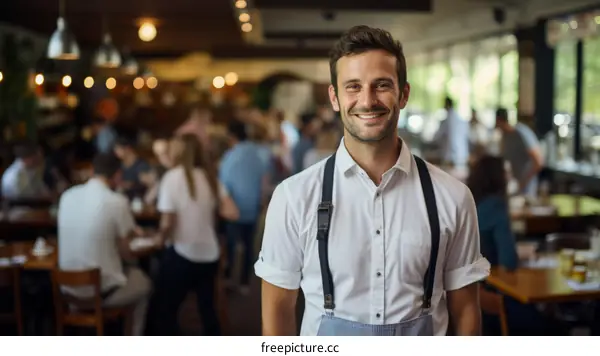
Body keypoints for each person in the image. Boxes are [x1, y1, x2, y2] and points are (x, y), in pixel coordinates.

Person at [255, 25, 490, 336]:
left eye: (382, 85)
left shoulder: (453, 196)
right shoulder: (294, 196)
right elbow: (277, 309)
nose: (367, 100)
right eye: (353, 86)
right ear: (335, 97)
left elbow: (466, 310)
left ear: (403, 94)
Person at [150, 134, 239, 335]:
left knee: (163, 311)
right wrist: (210, 208)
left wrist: (158, 239)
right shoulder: (210, 178)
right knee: (207, 310)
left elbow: (167, 222)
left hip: (182, 255)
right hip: (210, 256)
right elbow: (233, 212)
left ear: (177, 153)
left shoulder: (171, 178)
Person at [57, 153, 152, 336]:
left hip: (66, 289)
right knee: (145, 284)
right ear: (118, 175)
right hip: (100, 292)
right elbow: (126, 253)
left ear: (91, 171)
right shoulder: (117, 202)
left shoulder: (67, 196)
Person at [219, 122, 269, 294]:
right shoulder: (259, 153)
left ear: (231, 137)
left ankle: (228, 280)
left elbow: (223, 186)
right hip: (253, 208)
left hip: (234, 208)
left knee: (231, 246)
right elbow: (265, 180)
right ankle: (245, 282)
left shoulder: (230, 156)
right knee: (249, 246)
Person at [495, 108, 543, 197]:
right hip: (516, 184)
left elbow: (538, 162)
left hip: (527, 185)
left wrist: (524, 182)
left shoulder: (521, 133)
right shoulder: (505, 137)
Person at [433, 97, 470, 177]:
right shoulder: (459, 119)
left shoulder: (447, 120)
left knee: (450, 177)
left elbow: (439, 136)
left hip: (450, 155)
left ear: (446, 105)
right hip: (460, 154)